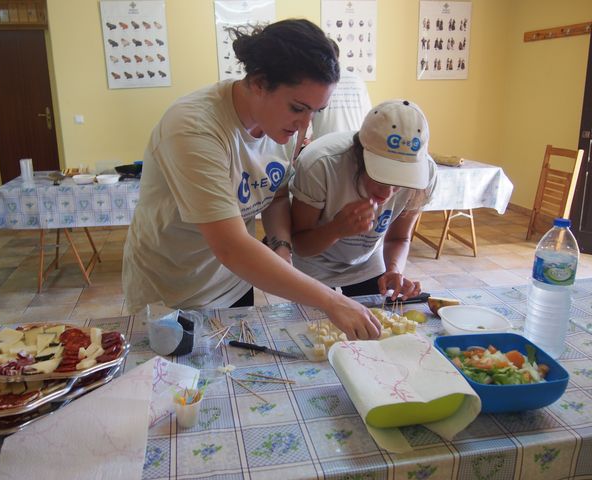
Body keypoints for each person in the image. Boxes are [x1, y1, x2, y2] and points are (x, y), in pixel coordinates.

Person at [122, 19, 382, 340]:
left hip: (234, 280)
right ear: (259, 83)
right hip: (174, 287)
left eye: (316, 111)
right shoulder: (193, 128)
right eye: (298, 108)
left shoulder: (282, 125)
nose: (305, 124)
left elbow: (274, 193)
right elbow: (230, 246)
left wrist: (282, 247)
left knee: (232, 372)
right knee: (178, 384)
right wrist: (332, 300)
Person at [290, 99, 437, 299]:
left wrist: (393, 270)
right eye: (381, 179)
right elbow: (300, 244)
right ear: (360, 156)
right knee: (314, 326)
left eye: (399, 184)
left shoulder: (425, 175)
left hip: (368, 261)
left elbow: (399, 238)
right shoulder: (320, 164)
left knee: (373, 323)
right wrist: (335, 229)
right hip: (314, 264)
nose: (387, 194)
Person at [309, 40, 372, 141]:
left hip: (324, 147)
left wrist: (295, 154)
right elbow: (368, 118)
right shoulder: (357, 80)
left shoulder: (314, 81)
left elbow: (305, 122)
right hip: (354, 145)